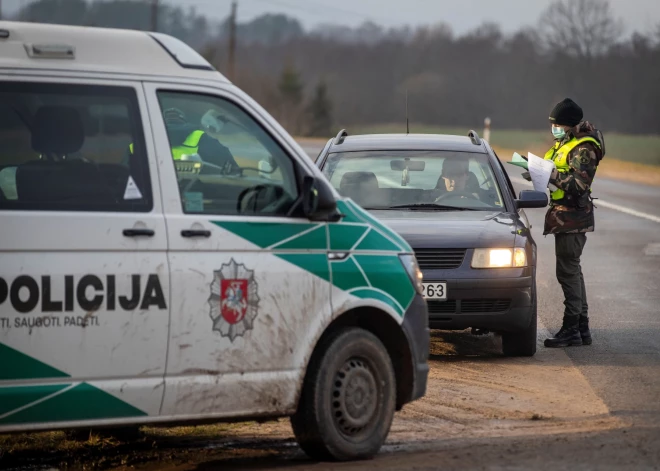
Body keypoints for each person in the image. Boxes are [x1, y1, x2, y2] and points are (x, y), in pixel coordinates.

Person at [539, 98, 604, 348]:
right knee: (572, 271)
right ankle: (581, 328)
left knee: (567, 272)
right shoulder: (564, 143)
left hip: (572, 217)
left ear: (567, 125)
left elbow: (578, 185)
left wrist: (549, 174)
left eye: (556, 124)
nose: (552, 128)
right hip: (564, 216)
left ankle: (571, 328)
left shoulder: (583, 148)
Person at [125, 108, 240, 174]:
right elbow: (233, 171)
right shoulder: (201, 138)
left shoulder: (140, 142)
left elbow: (123, 176)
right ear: (184, 122)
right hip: (194, 203)